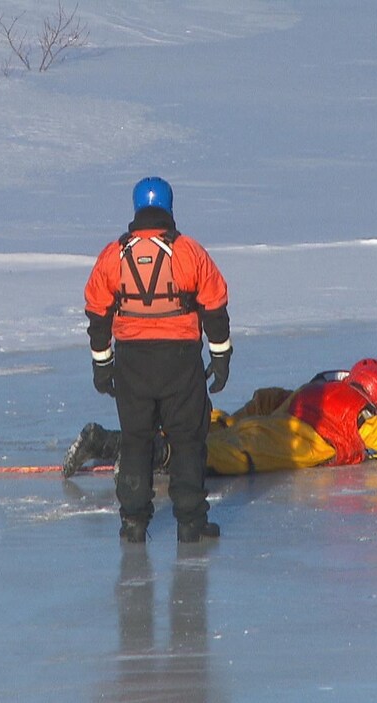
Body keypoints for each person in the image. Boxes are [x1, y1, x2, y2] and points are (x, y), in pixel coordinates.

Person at [84, 176, 231, 544]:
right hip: (180, 363)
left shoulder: (113, 255)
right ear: (169, 206)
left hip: (132, 363)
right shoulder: (189, 251)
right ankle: (191, 524)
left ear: (137, 207)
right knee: (187, 441)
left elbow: (97, 314)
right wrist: (221, 356)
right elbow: (215, 305)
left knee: (136, 440)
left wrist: (102, 364)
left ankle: (133, 523)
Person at [63, 359, 377, 477]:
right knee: (223, 456)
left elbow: (267, 398)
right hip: (296, 442)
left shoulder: (319, 388)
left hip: (267, 423)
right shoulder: (359, 411)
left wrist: (233, 419)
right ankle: (138, 451)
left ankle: (124, 439)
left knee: (215, 437)